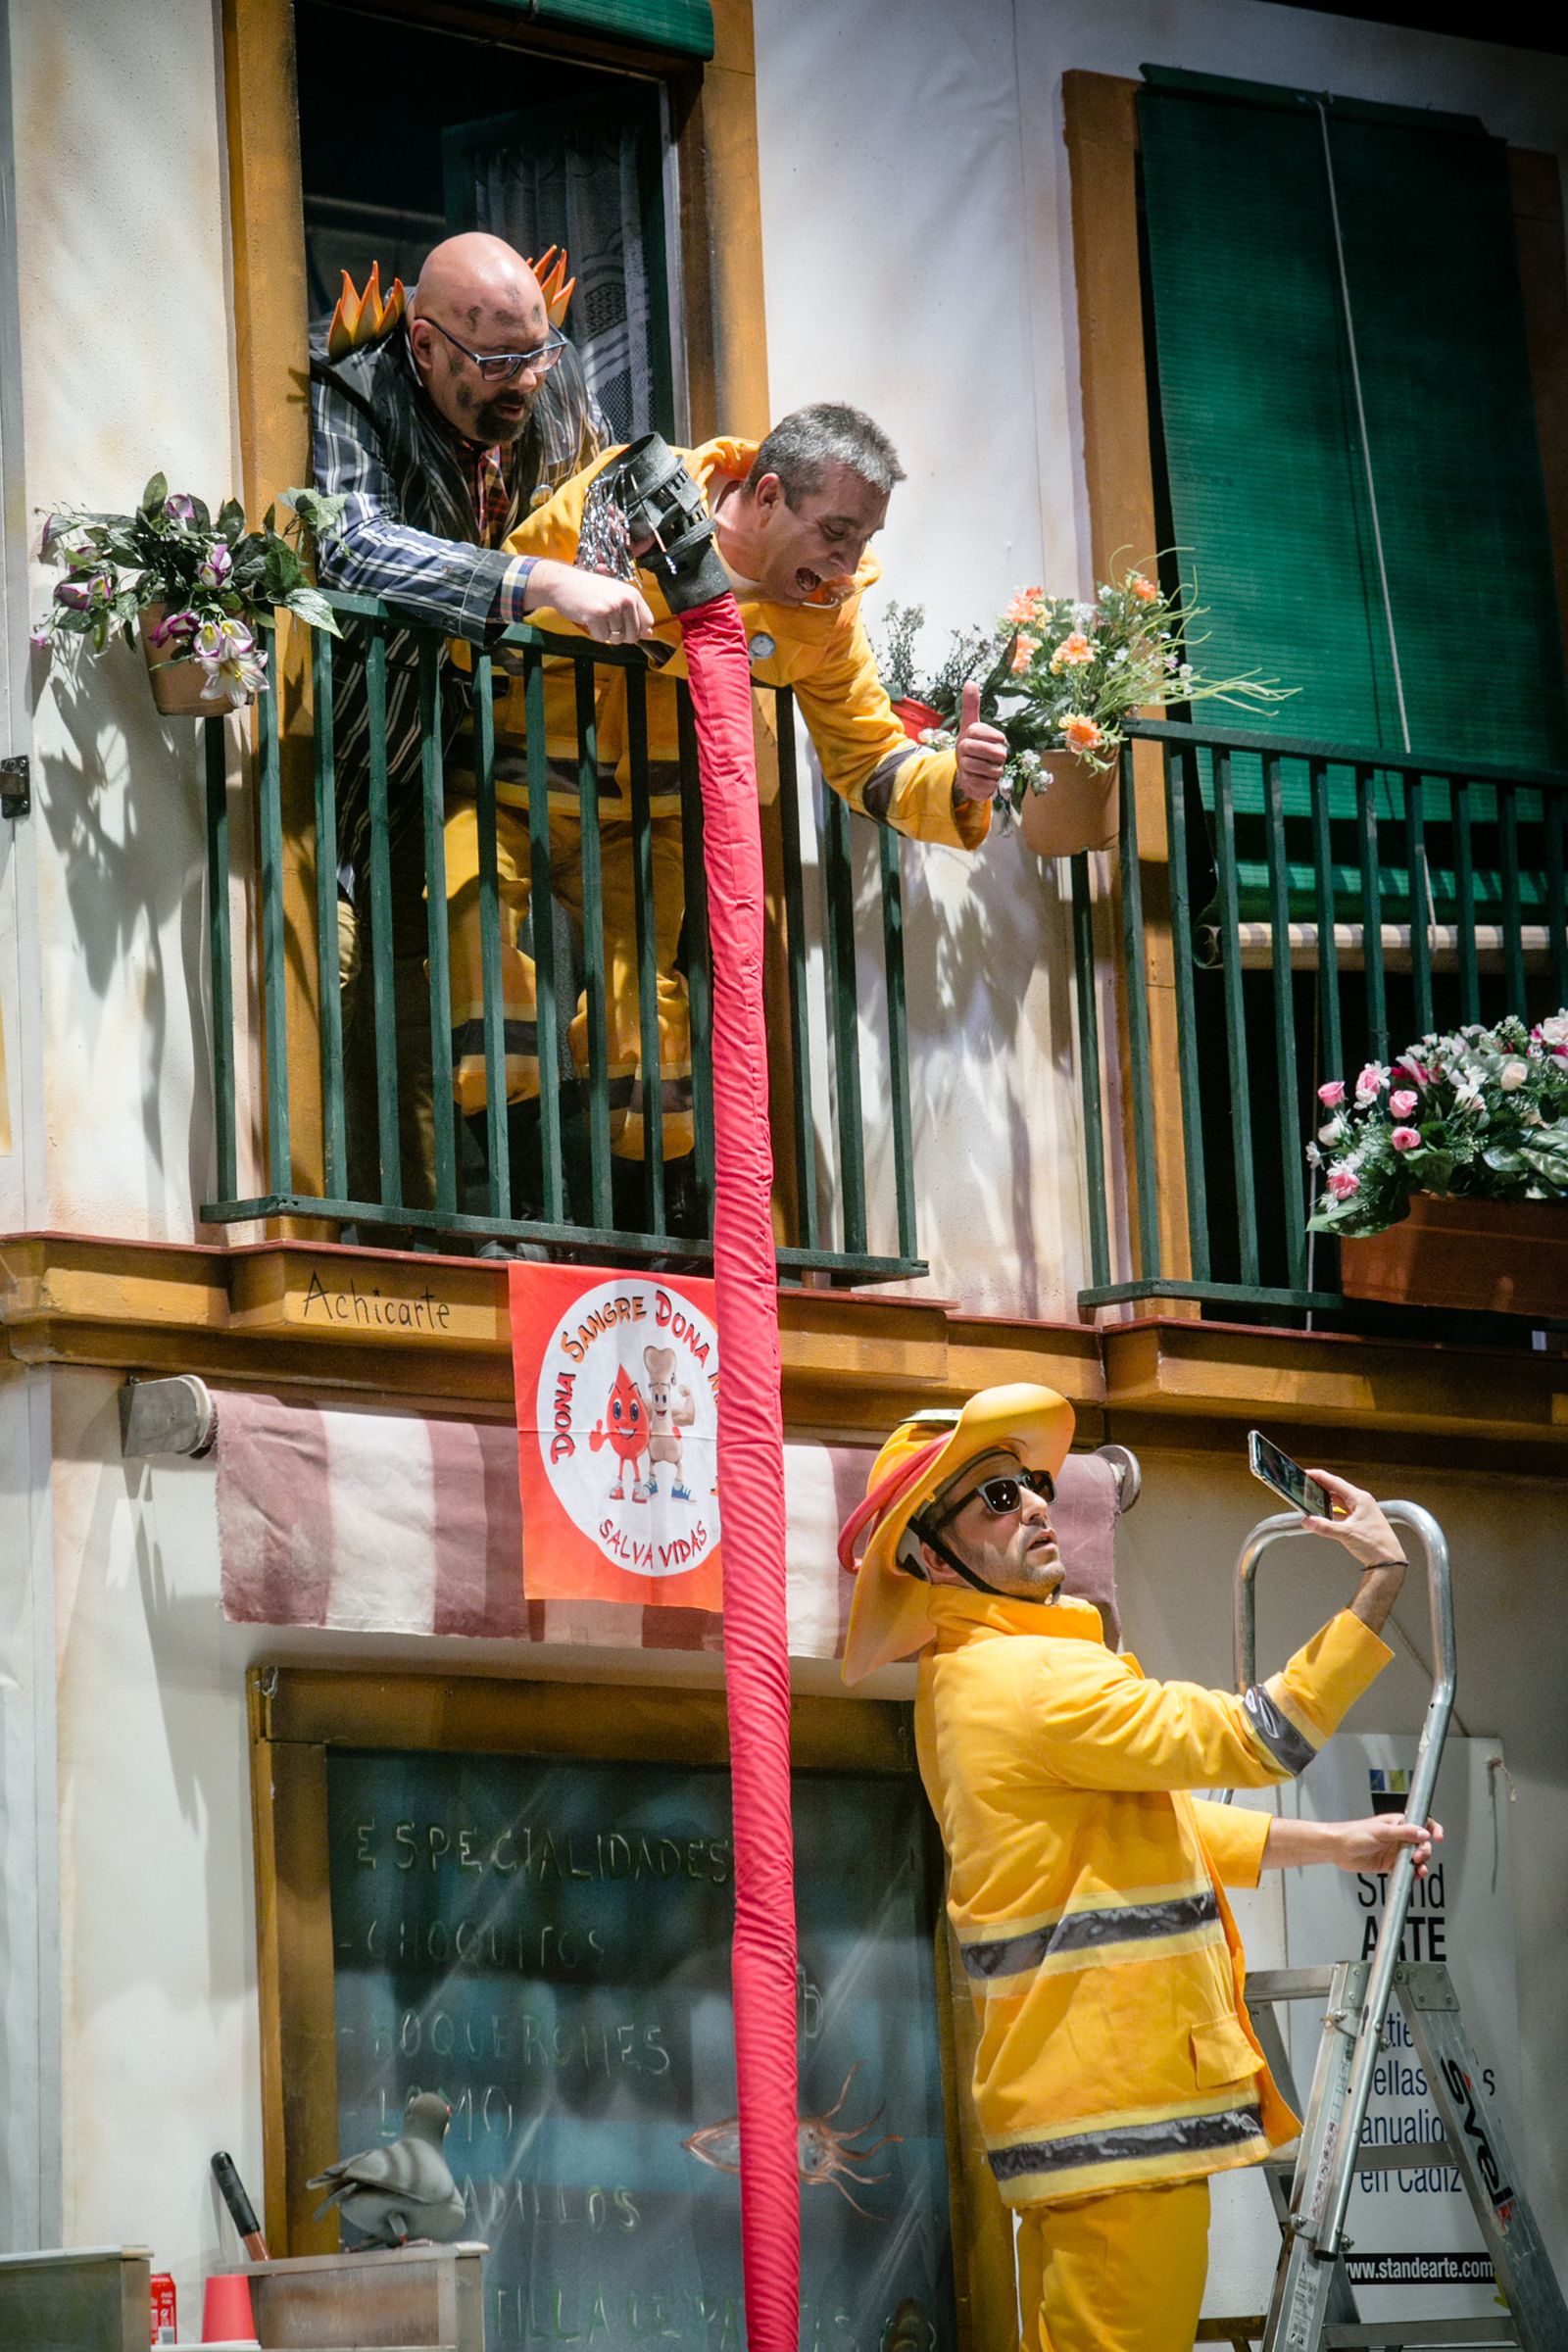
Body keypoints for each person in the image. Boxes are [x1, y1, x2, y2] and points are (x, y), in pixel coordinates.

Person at [838, 1384, 1438, 2352]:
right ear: (923, 1552)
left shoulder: (973, 1682)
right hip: (1119, 2120)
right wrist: (1377, 1580)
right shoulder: (1035, 1680)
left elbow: (1144, 1826)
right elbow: (1261, 1737)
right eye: (996, 1498)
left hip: (1084, 2125)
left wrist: (1329, 1844)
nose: (1034, 1505)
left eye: (1031, 1484)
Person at [440, 405, 1008, 1223]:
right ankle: (506, 1195)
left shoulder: (823, 618)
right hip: (503, 787)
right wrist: (628, 606)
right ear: (769, 495)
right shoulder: (626, 495)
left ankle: (641, 1231)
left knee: (647, 1020)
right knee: (475, 939)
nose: (848, 564)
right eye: (837, 534)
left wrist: (961, 784)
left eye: (864, 544)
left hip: (638, 824)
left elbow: (869, 759)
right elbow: (492, 613)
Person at [310, 231, 637, 1216]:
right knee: (405, 983)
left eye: (537, 354)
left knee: (562, 978)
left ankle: (548, 1215)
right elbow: (354, 550)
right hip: (387, 744)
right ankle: (443, 1215)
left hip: (521, 749)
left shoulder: (556, 386)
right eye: (496, 363)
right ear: (424, 346)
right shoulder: (355, 391)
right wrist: (533, 581)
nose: (525, 382)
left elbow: (606, 522)